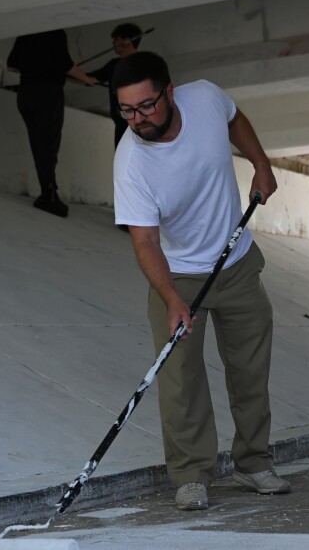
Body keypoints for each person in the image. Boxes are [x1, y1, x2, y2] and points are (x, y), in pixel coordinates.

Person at [111, 51, 289, 511]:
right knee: (180, 380)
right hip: (177, 275)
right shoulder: (131, 163)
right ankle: (191, 475)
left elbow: (235, 119)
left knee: (250, 371)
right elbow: (146, 242)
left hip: (237, 262)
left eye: (146, 105)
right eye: (127, 110)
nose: (138, 119)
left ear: (170, 92)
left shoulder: (206, 98)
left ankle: (253, 463)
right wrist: (171, 297)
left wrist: (261, 163)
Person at [7, 29, 98, 217]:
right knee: (48, 145)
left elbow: (11, 66)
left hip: (25, 94)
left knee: (37, 143)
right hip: (48, 95)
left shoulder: (25, 34)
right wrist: (87, 79)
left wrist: (36, 66)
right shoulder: (56, 33)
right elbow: (67, 66)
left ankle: (48, 191)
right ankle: (48, 194)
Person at [86, 23, 144, 148]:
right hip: (121, 125)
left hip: (142, 123)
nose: (113, 44)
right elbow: (89, 79)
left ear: (127, 40)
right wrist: (67, 71)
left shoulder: (145, 62)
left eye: (116, 40)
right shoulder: (114, 65)